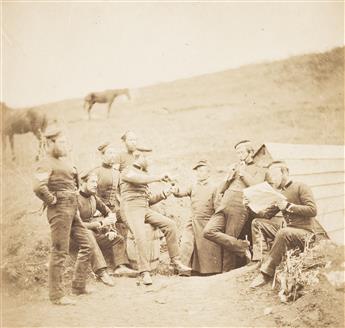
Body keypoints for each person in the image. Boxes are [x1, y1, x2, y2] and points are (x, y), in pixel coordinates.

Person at [33, 127, 91, 305]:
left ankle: (78, 286)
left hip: (72, 209)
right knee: (59, 251)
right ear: (51, 143)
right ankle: (56, 296)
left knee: (87, 245)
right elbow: (38, 187)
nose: (66, 145)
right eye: (63, 142)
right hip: (59, 210)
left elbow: (75, 182)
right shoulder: (45, 162)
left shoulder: (65, 161)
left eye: (66, 141)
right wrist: (52, 200)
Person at [250, 161, 328, 288]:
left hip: (305, 234)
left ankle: (266, 274)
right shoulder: (279, 193)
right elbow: (266, 215)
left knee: (283, 232)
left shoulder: (301, 186)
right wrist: (251, 206)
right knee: (257, 223)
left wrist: (288, 206)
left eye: (274, 175)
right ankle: (261, 260)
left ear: (285, 173)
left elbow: (312, 210)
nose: (272, 179)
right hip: (288, 233)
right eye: (271, 176)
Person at [120, 155, 191, 285]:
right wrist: (159, 177)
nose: (150, 161)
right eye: (149, 158)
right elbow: (139, 180)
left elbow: (148, 200)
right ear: (140, 157)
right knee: (140, 236)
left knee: (170, 225)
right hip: (131, 209)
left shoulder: (144, 174)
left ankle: (176, 261)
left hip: (144, 208)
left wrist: (165, 193)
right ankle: (145, 272)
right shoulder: (127, 171)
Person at [203, 140, 266, 272]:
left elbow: (257, 187)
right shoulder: (235, 168)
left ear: (251, 152)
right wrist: (228, 178)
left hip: (239, 205)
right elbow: (220, 190)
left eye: (241, 152)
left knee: (229, 240)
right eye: (237, 152)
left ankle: (226, 275)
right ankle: (242, 246)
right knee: (208, 231)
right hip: (224, 204)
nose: (239, 155)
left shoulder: (259, 169)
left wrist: (243, 174)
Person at [91, 142, 137, 277]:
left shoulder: (116, 173)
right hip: (98, 211)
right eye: (109, 153)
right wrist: (95, 209)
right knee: (110, 232)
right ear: (102, 156)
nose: (112, 156)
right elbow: (91, 191)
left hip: (113, 209)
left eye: (113, 153)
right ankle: (119, 266)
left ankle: (136, 260)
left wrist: (123, 207)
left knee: (131, 220)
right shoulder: (96, 171)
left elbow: (119, 192)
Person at [77, 170, 129, 287]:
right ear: (83, 183)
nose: (95, 184)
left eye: (96, 182)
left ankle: (121, 266)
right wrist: (101, 223)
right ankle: (102, 272)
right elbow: (77, 225)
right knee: (89, 234)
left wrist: (110, 229)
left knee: (118, 239)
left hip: (92, 232)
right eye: (92, 182)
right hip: (77, 235)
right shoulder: (74, 199)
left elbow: (108, 212)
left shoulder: (93, 197)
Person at [172, 160, 222, 276]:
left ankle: (210, 272)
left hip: (207, 221)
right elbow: (181, 192)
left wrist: (216, 222)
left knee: (206, 246)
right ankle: (184, 270)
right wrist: (175, 190)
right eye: (197, 171)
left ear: (208, 173)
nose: (199, 174)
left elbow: (218, 207)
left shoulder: (214, 187)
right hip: (193, 220)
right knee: (186, 242)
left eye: (202, 171)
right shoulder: (193, 185)